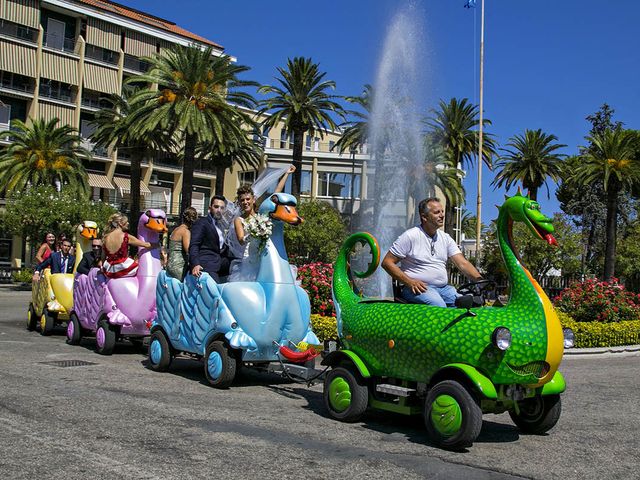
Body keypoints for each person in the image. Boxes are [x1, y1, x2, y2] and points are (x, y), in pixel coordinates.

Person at [381, 197, 482, 307]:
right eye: (437, 212)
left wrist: (481, 281)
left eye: (442, 211)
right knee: (439, 305)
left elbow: (463, 263)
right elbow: (387, 263)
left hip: (444, 289)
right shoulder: (410, 236)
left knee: (469, 304)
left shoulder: (446, 238)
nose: (442, 215)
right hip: (418, 289)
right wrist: (410, 282)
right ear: (424, 217)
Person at [227, 165, 295, 282]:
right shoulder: (239, 220)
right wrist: (253, 233)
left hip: (265, 254)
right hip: (251, 259)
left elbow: (276, 193)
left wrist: (287, 174)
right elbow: (241, 240)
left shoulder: (262, 215)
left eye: (248, 199)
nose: (245, 202)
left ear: (253, 199)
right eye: (242, 200)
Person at [102, 213, 159, 279]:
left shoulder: (106, 237)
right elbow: (145, 245)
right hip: (122, 267)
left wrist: (103, 268)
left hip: (109, 269)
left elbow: (103, 256)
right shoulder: (125, 236)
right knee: (143, 269)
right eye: (126, 222)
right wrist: (156, 244)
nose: (128, 223)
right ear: (120, 223)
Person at [189, 196, 231, 282]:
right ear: (210, 208)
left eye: (222, 208)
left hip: (220, 264)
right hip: (206, 264)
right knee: (216, 291)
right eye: (216, 207)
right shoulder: (201, 222)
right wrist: (195, 264)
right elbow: (194, 244)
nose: (219, 210)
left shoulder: (222, 225)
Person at [166, 206, 198, 280]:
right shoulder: (185, 232)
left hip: (170, 265)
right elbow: (188, 250)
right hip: (179, 266)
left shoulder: (176, 229)